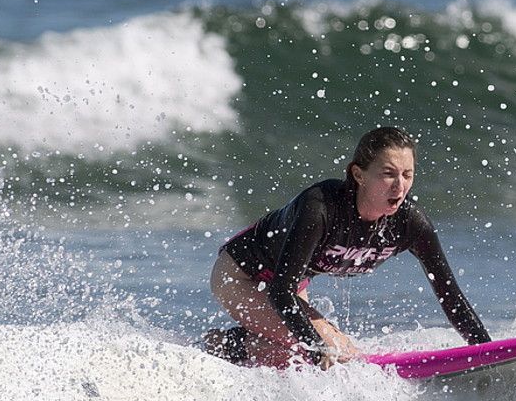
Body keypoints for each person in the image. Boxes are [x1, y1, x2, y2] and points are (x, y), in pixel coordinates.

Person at [206, 126, 491, 369]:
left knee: (308, 358)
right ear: (359, 174)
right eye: (389, 174)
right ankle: (223, 343)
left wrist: (487, 354)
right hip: (240, 275)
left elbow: (450, 296)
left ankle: (228, 345)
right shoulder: (319, 208)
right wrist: (317, 347)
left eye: (407, 174)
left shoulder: (409, 224)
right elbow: (281, 291)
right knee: (334, 355)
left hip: (291, 283)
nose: (400, 186)